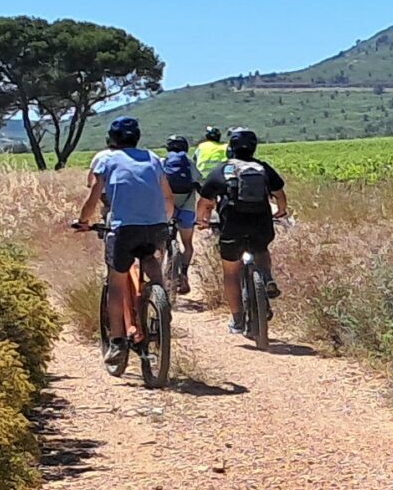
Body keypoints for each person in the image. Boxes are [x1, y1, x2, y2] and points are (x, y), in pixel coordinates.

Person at [71, 116, 175, 374]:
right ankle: (161, 300)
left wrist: (83, 221)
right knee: (150, 258)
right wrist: (166, 218)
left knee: (116, 282)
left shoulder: (106, 159)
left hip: (125, 229)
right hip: (157, 226)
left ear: (112, 139)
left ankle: (117, 342)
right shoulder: (153, 158)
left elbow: (93, 196)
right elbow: (167, 196)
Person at [198, 128, 289, 334]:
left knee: (231, 272)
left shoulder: (223, 170)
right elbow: (279, 194)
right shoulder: (262, 168)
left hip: (233, 226)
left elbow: (204, 201)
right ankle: (266, 277)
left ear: (231, 147)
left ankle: (237, 319)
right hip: (260, 224)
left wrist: (201, 220)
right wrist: (281, 210)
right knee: (261, 249)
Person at [159, 135, 203, 293]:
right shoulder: (189, 163)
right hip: (187, 207)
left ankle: (159, 278)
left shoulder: (162, 162)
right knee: (188, 245)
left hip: (166, 207)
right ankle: (184, 273)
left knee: (159, 244)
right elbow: (200, 183)